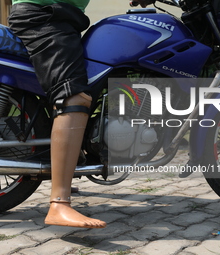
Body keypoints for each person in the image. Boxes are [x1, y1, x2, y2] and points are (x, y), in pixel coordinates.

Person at [8, 0, 151, 229]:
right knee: (73, 99)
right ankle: (59, 204)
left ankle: (69, 166)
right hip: (46, 17)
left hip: (61, 17)